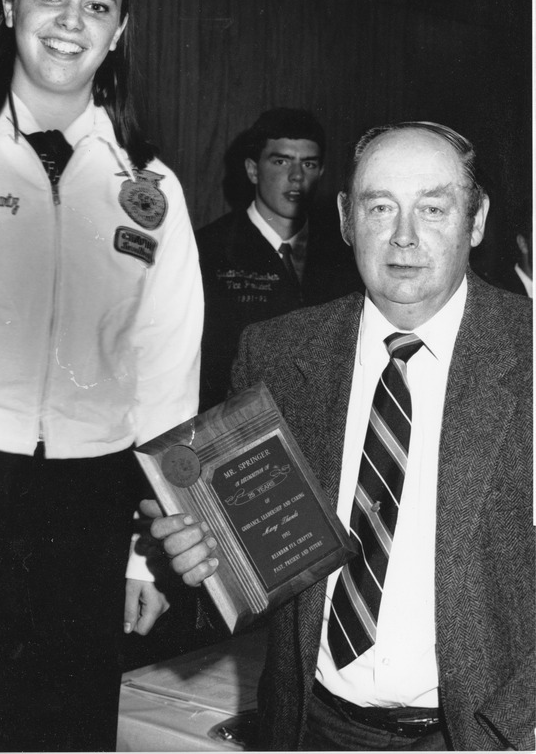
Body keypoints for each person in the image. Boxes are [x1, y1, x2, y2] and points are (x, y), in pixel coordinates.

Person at [146, 121, 534, 751]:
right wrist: (199, 564)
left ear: (477, 219)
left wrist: (517, 726)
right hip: (310, 726)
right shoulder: (278, 354)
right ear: (347, 219)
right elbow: (244, 571)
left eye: (433, 208)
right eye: (380, 207)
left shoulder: (529, 353)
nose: (403, 235)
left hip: (480, 736)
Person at [0, 0, 203, 751]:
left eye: (98, 4)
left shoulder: (153, 189)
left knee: (64, 730)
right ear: (10, 4)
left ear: (120, 31)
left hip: (90, 505)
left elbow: (168, 384)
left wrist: (147, 551)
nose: (70, 22)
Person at [196, 107, 362, 410]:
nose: (296, 176)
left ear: (321, 172)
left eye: (308, 164)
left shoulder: (346, 252)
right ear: (253, 170)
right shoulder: (207, 251)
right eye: (281, 161)